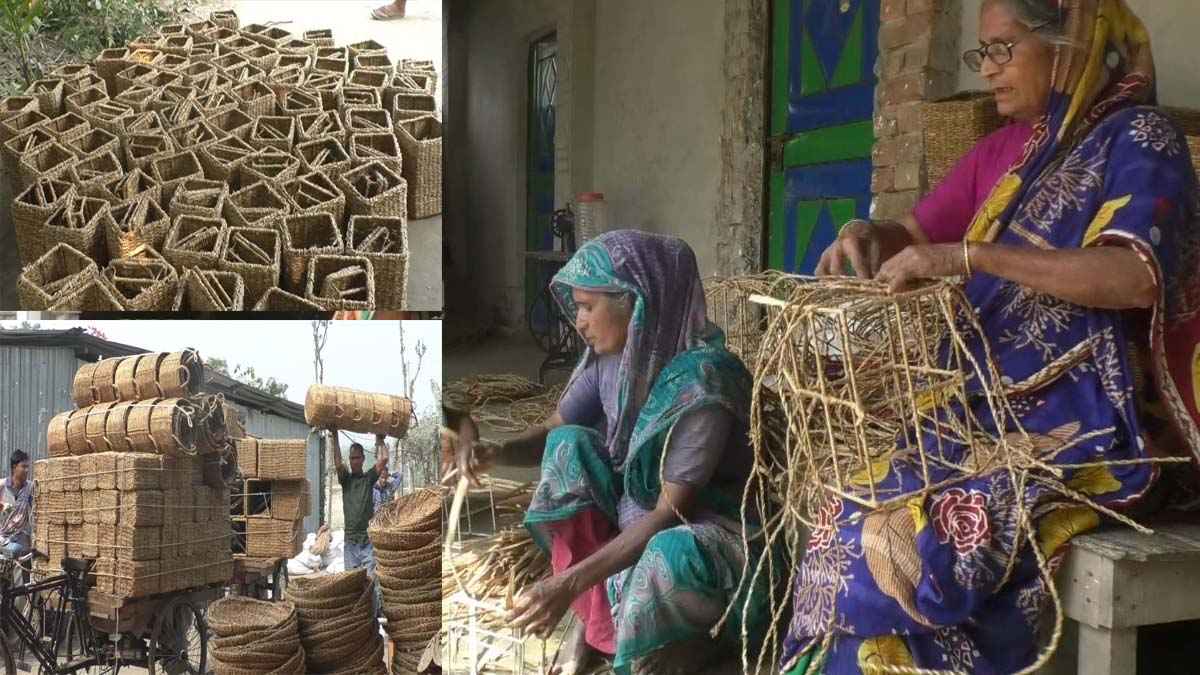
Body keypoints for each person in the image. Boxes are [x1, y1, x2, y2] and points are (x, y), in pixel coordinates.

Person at [785, 0, 1200, 672]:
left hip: (1088, 423)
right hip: (989, 404)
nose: (989, 71)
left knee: (930, 534)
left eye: (1004, 49)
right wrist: (865, 233)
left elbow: (1135, 276)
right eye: (983, 53)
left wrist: (972, 257)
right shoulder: (1015, 155)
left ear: (1070, 44)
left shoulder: (1142, 140)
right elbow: (916, 236)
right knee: (849, 494)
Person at [446, 230, 776, 675]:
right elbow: (552, 430)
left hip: (713, 539)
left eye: (587, 306)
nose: (578, 321)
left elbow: (668, 515)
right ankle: (599, 625)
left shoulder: (701, 383)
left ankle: (691, 645)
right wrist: (496, 451)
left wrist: (566, 583)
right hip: (640, 519)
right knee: (568, 448)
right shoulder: (609, 360)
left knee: (667, 557)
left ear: (636, 303)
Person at [328, 430, 389, 577]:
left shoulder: (368, 479)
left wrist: (379, 438)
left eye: (357, 458)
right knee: (351, 583)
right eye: (351, 458)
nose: (354, 461)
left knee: (371, 582)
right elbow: (337, 462)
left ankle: (373, 601)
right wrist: (335, 435)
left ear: (362, 459)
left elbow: (384, 459)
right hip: (350, 543)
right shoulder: (346, 480)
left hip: (367, 541)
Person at [1, 450, 33, 561]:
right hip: (2, 538)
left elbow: (36, 512)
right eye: (23, 467)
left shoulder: (30, 488)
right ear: (14, 467)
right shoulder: (2, 486)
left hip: (20, 539)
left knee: (20, 554)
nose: (27, 470)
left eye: (28, 467)